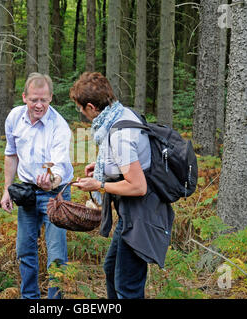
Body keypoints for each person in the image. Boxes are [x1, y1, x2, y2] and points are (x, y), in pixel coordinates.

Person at [71, 72, 174, 299]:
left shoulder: (119, 133)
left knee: (128, 286)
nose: (81, 113)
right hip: (131, 213)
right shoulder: (120, 114)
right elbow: (130, 158)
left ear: (90, 107)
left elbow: (138, 186)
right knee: (112, 270)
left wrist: (99, 184)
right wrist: (104, 168)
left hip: (143, 214)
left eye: (80, 108)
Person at [1, 72, 74, 299]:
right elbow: (11, 155)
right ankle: (29, 298)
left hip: (55, 194)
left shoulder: (59, 127)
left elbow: (60, 168)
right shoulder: (14, 118)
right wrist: (7, 189)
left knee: (56, 255)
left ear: (51, 98)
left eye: (43, 99)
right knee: (25, 250)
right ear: (24, 97)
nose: (39, 105)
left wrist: (51, 181)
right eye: (34, 99)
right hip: (27, 191)